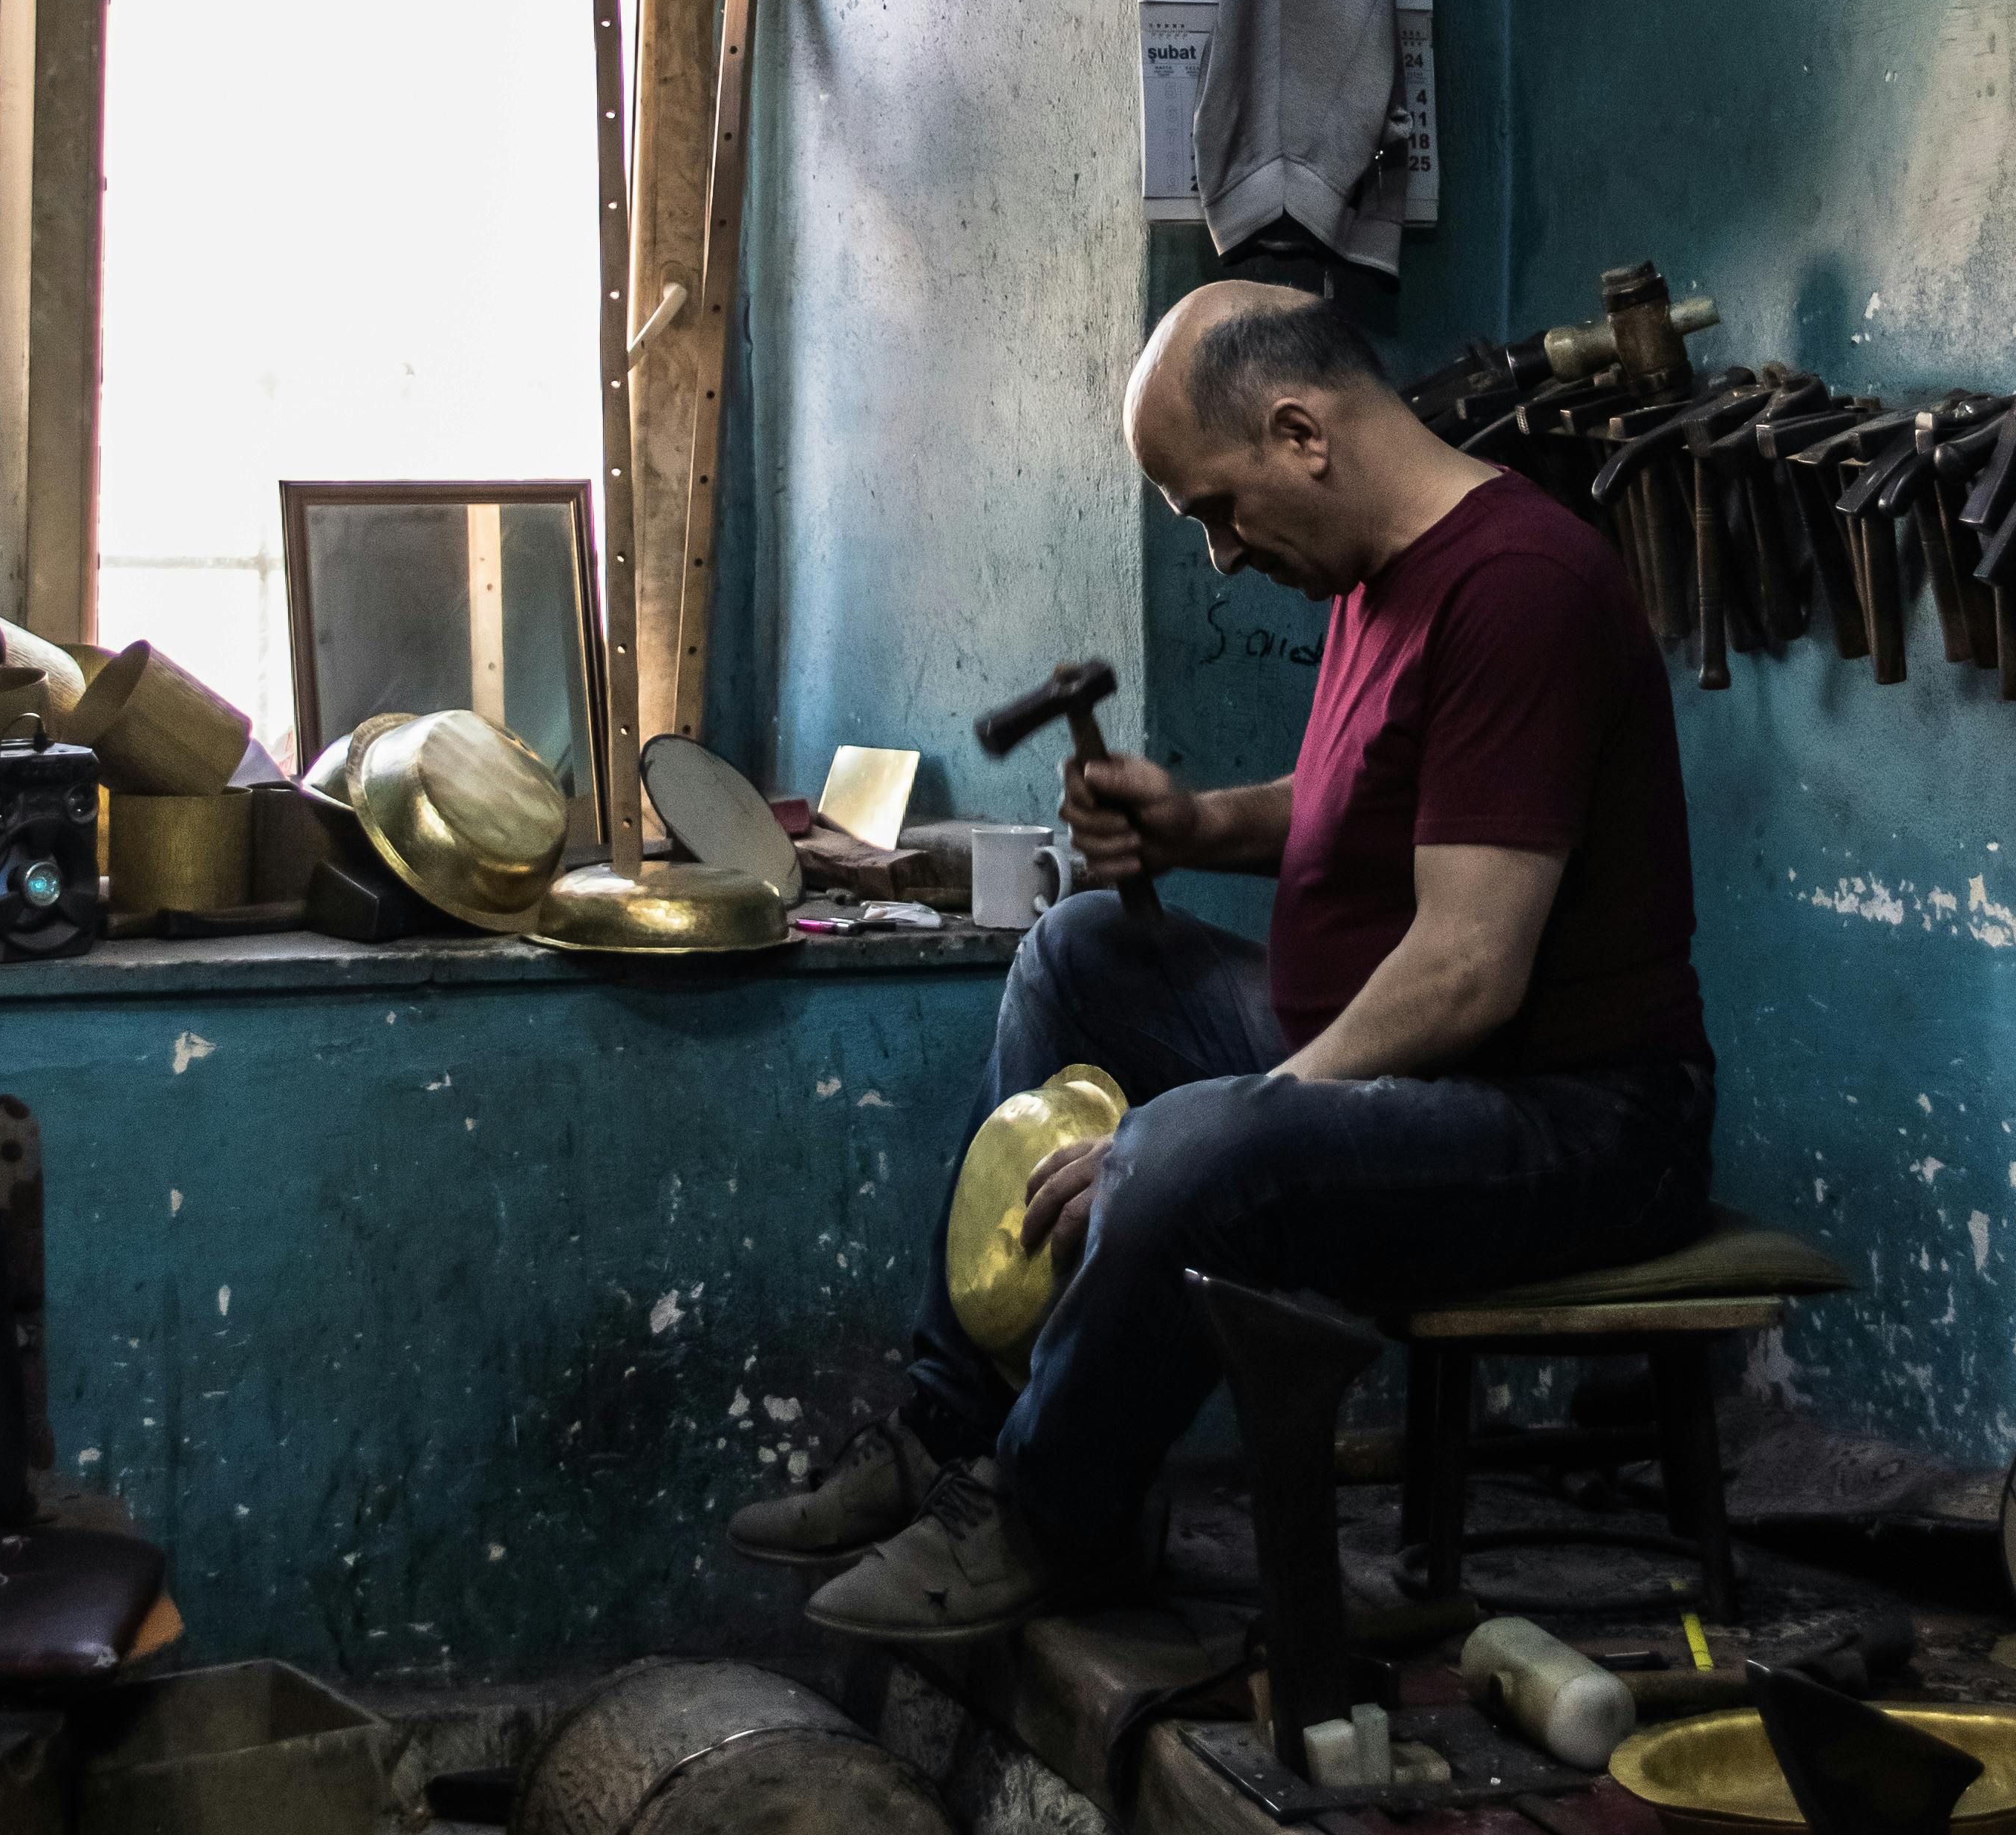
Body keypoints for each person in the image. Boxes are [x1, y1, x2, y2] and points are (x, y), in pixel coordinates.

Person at [731, 279, 1715, 1643]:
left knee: (1194, 1149)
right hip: (1412, 1066)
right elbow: (1372, 806)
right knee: (1078, 951)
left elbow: (1466, 968)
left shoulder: (1519, 590)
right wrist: (1194, 826)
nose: (1219, 556)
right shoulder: (1382, 570)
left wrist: (1225, 1121)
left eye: (1215, 509)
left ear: (1301, 433)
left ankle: (1051, 1514)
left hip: (1579, 1117)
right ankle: (957, 1428)